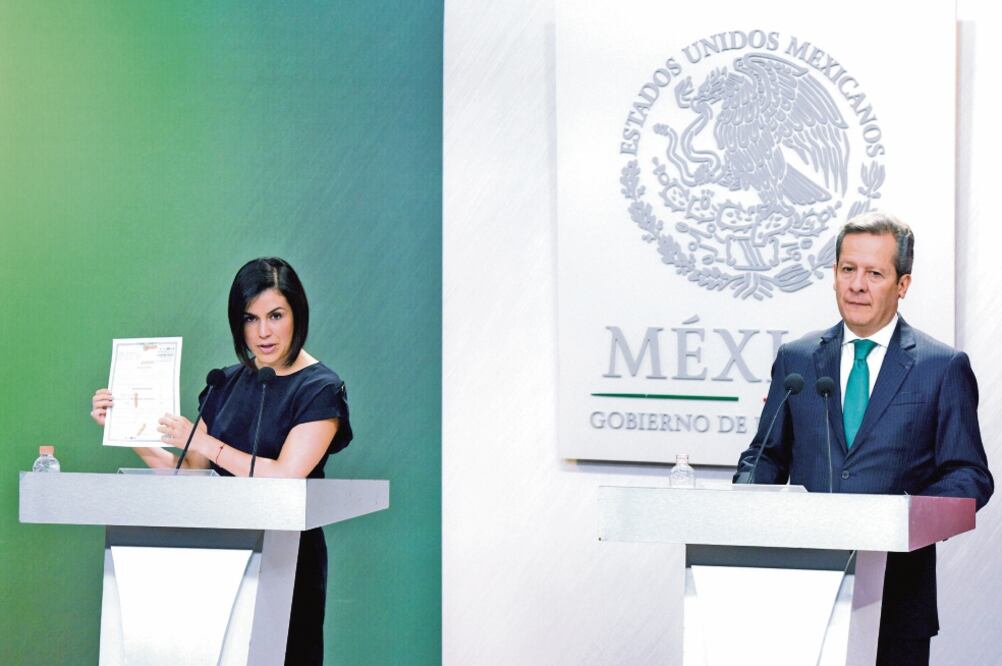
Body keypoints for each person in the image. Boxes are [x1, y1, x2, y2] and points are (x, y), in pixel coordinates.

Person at [734, 211, 993, 666]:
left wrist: (905, 516)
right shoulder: (796, 359)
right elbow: (765, 455)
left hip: (897, 598)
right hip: (801, 591)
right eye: (848, 270)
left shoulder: (941, 367)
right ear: (833, 275)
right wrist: (743, 507)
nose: (857, 284)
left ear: (903, 284)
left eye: (874, 273)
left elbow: (969, 475)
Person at [90, 257, 352, 665]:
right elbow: (190, 476)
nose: (263, 332)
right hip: (215, 562)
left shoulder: (320, 388)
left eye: (275, 315)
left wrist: (207, 444)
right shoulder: (224, 383)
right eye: (250, 319)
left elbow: (285, 475)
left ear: (296, 314)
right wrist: (125, 429)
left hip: (285, 561)